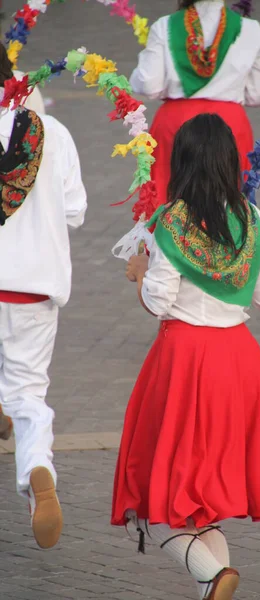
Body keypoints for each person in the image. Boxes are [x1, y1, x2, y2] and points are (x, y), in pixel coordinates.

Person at [112, 114, 260, 600]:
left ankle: (212, 576)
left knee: (157, 499)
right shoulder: (253, 220)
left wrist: (139, 271)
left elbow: (158, 302)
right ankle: (214, 586)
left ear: (181, 162)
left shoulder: (171, 221)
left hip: (183, 360)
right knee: (204, 504)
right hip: (239, 361)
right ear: (230, 163)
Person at [0, 41, 87, 549]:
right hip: (33, 289)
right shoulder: (53, 133)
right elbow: (74, 209)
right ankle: (37, 470)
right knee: (29, 393)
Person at [130, 0, 260, 206]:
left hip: (175, 123)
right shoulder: (250, 29)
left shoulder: (164, 26)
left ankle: (168, 237)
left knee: (167, 199)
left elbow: (149, 84)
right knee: (229, 204)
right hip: (230, 126)